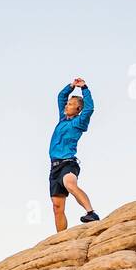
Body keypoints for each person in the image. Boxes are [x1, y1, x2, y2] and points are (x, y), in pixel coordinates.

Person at [49, 78, 99, 231]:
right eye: (68, 103)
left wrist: (84, 88)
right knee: (57, 207)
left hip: (68, 163)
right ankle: (61, 238)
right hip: (54, 167)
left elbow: (89, 109)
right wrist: (71, 86)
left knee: (69, 183)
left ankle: (91, 213)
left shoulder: (79, 122)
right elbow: (60, 97)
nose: (66, 105)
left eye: (71, 104)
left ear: (78, 109)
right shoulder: (63, 118)